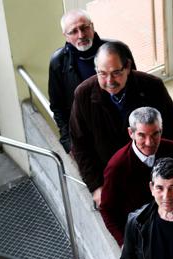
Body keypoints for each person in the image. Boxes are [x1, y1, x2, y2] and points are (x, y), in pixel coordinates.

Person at [69, 41, 173, 206]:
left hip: (151, 172)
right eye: (102, 73)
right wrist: (96, 186)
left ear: (128, 67)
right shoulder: (83, 94)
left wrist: (156, 159)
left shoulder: (152, 86)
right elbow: (80, 144)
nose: (109, 80)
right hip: (111, 178)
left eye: (116, 73)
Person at [48, 11, 135, 154]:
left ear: (92, 27)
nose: (81, 35)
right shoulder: (58, 62)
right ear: (65, 35)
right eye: (73, 31)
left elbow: (135, 87)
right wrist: (68, 141)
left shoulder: (119, 50)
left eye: (84, 28)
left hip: (124, 128)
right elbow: (58, 107)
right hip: (89, 136)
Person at [100, 106, 173, 245]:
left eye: (155, 134)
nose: (149, 143)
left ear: (161, 131)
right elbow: (107, 209)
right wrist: (124, 244)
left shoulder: (172, 149)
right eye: (142, 135)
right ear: (131, 133)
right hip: (142, 233)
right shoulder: (117, 166)